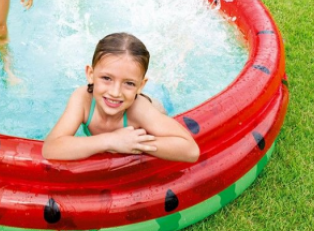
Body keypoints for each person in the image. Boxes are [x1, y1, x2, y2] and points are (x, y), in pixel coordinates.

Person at [43, 33, 200, 162]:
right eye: (106, 78)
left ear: (140, 86)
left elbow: (191, 150)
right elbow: (51, 148)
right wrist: (110, 141)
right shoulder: (83, 99)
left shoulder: (139, 110)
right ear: (90, 74)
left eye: (129, 83)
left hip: (156, 99)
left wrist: (135, 143)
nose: (115, 92)